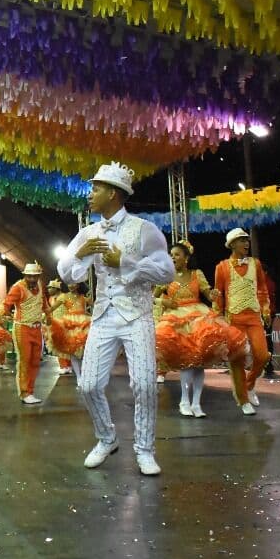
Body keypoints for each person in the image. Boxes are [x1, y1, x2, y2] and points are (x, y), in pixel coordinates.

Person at [57, 162, 174, 477]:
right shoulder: (89, 233)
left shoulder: (144, 229)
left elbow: (166, 271)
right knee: (89, 384)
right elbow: (66, 272)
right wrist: (81, 254)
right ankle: (106, 438)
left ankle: (145, 450)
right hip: (105, 314)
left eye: (96, 188)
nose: (91, 194)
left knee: (146, 384)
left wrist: (125, 259)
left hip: (137, 315)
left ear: (113, 193)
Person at [153, 241, 252, 418]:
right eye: (171, 254)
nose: (172, 257)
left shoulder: (196, 274)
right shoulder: (166, 276)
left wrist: (213, 294)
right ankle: (184, 401)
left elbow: (207, 292)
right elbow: (151, 297)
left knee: (199, 365)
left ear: (186, 258)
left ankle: (196, 403)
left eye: (176, 254)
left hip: (198, 318)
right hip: (177, 321)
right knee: (186, 363)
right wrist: (164, 301)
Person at [213, 228, 274, 411]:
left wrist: (265, 309)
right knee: (237, 360)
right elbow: (219, 295)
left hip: (254, 316)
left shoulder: (256, 264)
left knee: (262, 356)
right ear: (232, 244)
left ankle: (249, 384)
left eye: (247, 240)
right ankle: (243, 400)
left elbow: (262, 289)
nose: (246, 244)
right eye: (242, 240)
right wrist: (218, 316)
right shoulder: (222, 267)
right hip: (234, 319)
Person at [1, 261, 51, 405]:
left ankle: (30, 391)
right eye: (29, 276)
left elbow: (44, 303)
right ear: (25, 276)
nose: (32, 279)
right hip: (22, 328)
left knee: (35, 361)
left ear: (38, 276)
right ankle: (24, 393)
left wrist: (48, 316)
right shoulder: (18, 288)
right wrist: (1, 316)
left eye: (34, 276)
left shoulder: (40, 285)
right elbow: (6, 304)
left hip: (37, 328)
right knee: (25, 361)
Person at [49, 281, 91, 381]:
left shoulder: (83, 297)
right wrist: (42, 315)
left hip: (83, 325)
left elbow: (91, 308)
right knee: (73, 352)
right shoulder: (63, 297)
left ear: (78, 285)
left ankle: (85, 375)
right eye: (69, 283)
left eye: (73, 283)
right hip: (70, 326)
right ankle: (79, 378)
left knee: (84, 352)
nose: (71, 285)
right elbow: (51, 309)